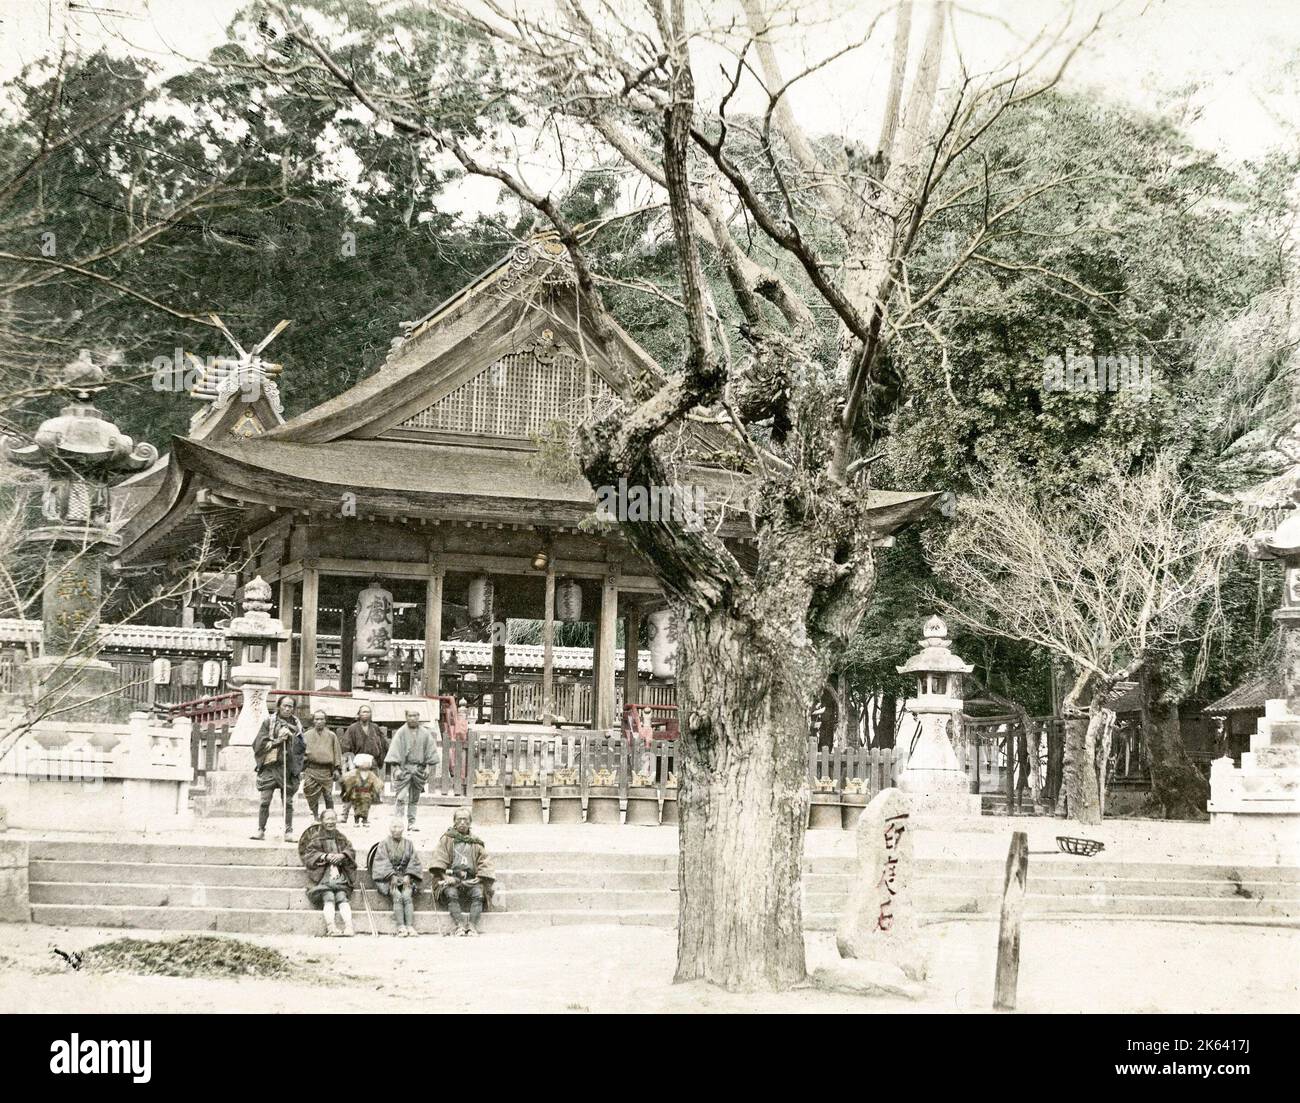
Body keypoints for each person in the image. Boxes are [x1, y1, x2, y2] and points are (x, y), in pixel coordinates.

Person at [430, 808, 496, 936]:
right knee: (451, 893)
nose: (462, 822)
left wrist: (480, 877)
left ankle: (472, 926)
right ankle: (459, 925)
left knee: (478, 893)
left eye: (465, 819)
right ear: (454, 822)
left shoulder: (476, 842)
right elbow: (439, 858)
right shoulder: (447, 839)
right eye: (459, 819)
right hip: (451, 878)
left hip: (470, 879)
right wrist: (444, 876)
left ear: (470, 822)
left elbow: (485, 861)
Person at [251, 695, 305, 841]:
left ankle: (288, 831)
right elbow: (258, 744)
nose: (287, 709)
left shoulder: (297, 725)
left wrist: (291, 738)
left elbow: (302, 747)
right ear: (279, 706)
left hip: (287, 768)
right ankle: (261, 830)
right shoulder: (269, 723)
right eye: (284, 706)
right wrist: (278, 741)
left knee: (288, 802)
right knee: (265, 801)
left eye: (290, 706)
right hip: (270, 766)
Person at [302, 810, 357, 937]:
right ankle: (331, 927)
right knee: (329, 897)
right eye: (327, 819)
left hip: (339, 875)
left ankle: (349, 927)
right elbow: (309, 854)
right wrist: (325, 856)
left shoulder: (341, 837)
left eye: (333, 819)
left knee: (342, 897)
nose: (331, 822)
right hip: (323, 876)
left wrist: (342, 855)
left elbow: (351, 850)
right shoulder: (316, 838)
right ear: (322, 821)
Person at [384, 708, 440, 831]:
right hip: (404, 769)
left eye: (415, 715)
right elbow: (395, 751)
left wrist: (428, 767)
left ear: (419, 717)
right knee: (401, 797)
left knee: (414, 798)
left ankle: (411, 823)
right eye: (410, 715)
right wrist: (397, 768)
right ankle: (398, 822)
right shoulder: (401, 732)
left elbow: (430, 750)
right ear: (406, 717)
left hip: (419, 769)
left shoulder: (425, 733)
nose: (413, 718)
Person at [370, 819, 424, 937]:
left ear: (403, 829)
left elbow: (414, 860)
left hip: (406, 876)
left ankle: (409, 926)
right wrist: (392, 875)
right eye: (394, 827)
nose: (396, 830)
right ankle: (401, 926)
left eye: (399, 827)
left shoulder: (409, 844)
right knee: (397, 895)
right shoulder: (383, 844)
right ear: (390, 829)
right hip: (388, 878)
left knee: (406, 895)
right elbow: (381, 861)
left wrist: (408, 875)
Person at [302, 709, 343, 821]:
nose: (319, 721)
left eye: (321, 719)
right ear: (313, 721)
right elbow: (301, 752)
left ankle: (331, 816)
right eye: (317, 719)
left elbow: (336, 752)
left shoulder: (331, 735)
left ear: (325, 721)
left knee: (328, 795)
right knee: (312, 794)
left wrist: (336, 769)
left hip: (326, 770)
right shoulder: (306, 735)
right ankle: (315, 816)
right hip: (311, 769)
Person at [340, 704, 386, 772]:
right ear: (359, 714)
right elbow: (345, 748)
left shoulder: (375, 727)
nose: (366, 714)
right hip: (357, 764)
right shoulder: (352, 728)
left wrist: (379, 761)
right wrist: (351, 764)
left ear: (371, 714)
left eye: (368, 712)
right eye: (364, 712)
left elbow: (383, 745)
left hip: (372, 764)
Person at [340, 752, 384, 826]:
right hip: (356, 793)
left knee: (366, 807)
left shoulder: (370, 774)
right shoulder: (354, 773)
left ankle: (365, 820)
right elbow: (346, 778)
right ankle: (356, 820)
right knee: (356, 807)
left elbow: (377, 781)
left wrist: (378, 787)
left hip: (367, 793)